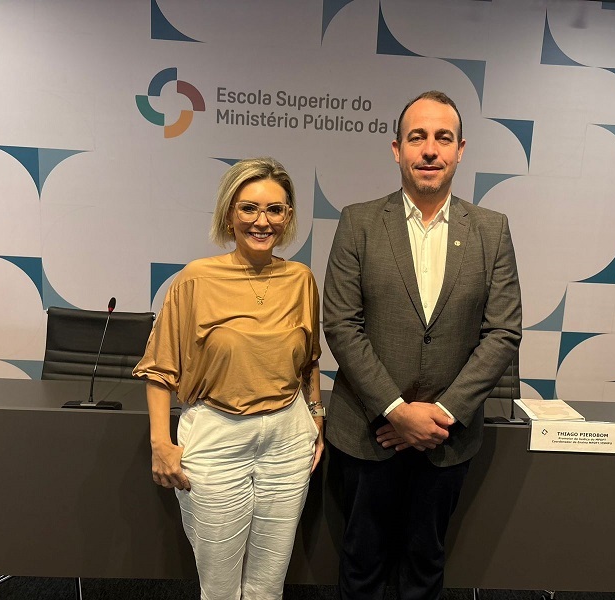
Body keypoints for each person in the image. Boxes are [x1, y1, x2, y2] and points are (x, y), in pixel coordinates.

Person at [323, 91, 522, 600]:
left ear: (460, 150)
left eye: (442, 138)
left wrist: (442, 414)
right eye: (417, 138)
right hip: (367, 433)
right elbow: (342, 324)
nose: (430, 149)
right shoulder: (358, 222)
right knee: (361, 567)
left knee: (425, 568)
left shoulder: (492, 230)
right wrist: (395, 410)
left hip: (446, 439)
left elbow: (503, 331)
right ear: (397, 149)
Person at [133, 157, 325, 600]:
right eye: (249, 208)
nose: (262, 221)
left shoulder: (301, 280)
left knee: (268, 586)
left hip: (288, 440)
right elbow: (159, 368)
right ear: (228, 214)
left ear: (288, 217)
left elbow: (309, 361)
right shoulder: (196, 279)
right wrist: (160, 444)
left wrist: (317, 417)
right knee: (219, 589)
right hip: (217, 438)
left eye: (275, 210)